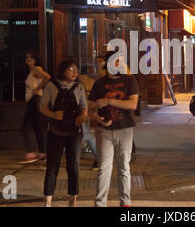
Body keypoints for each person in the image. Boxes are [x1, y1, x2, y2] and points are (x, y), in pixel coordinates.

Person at [88, 51, 139, 207]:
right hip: (104, 131)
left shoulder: (130, 81)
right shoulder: (99, 84)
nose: (121, 64)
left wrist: (109, 100)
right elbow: (89, 109)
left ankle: (125, 202)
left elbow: (132, 104)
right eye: (118, 61)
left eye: (122, 62)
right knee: (104, 168)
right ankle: (100, 203)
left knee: (124, 166)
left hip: (125, 129)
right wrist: (98, 117)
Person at [40, 59, 88, 207]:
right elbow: (43, 107)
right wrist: (54, 115)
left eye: (76, 69)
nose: (74, 72)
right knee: (52, 166)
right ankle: (48, 201)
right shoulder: (51, 86)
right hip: (55, 131)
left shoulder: (79, 87)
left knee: (73, 165)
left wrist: (82, 117)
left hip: (74, 131)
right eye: (70, 69)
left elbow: (84, 107)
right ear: (62, 70)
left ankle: (72, 199)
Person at [19, 50, 51, 164]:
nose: (29, 59)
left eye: (31, 57)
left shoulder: (37, 69)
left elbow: (47, 77)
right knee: (38, 127)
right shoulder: (31, 71)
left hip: (36, 100)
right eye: (27, 57)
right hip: (33, 100)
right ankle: (43, 153)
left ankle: (31, 153)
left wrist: (37, 88)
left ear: (36, 59)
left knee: (25, 126)